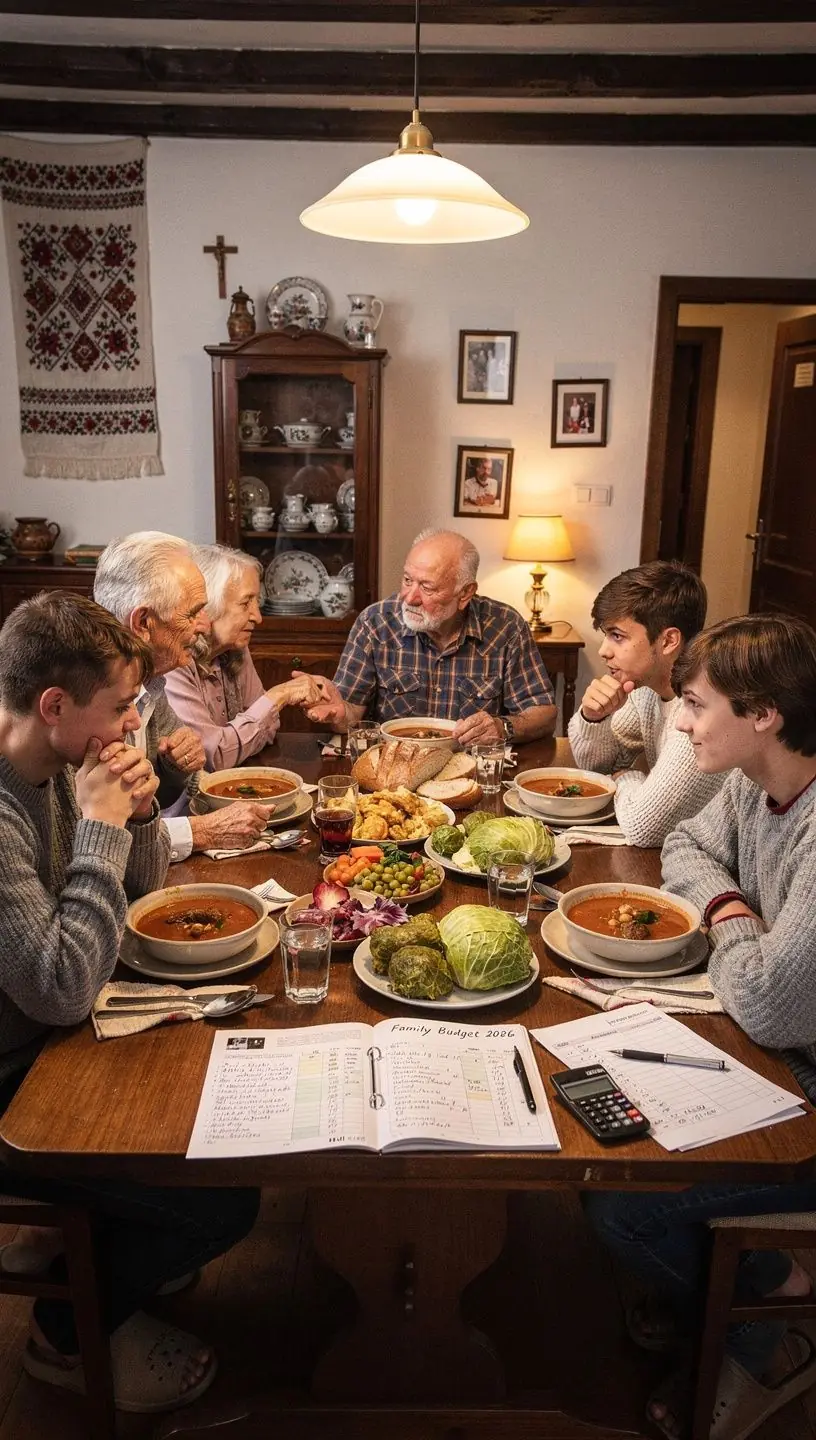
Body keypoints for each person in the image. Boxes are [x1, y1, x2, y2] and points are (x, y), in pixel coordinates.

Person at [0, 591, 258, 1412]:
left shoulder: (54, 764)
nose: (125, 728)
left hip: (54, 1039)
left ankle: (121, 1240)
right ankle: (61, 1340)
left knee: (217, 1103)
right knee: (225, 1193)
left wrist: (139, 811)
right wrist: (102, 828)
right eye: (117, 710)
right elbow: (62, 990)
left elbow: (140, 892)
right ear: (54, 705)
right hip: (18, 1079)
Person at [585, 613, 816, 1440]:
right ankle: (730, 1286)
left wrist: (738, 941)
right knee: (599, 1137)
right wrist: (733, 906)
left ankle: (765, 1333)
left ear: (764, 715)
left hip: (805, 1090)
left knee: (620, 1206)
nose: (678, 724)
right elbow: (685, 842)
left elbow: (767, 1001)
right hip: (773, 1052)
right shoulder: (761, 783)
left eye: (694, 705)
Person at [94, 532, 271, 858]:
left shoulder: (151, 683)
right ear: (144, 623)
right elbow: (102, 841)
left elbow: (156, 797)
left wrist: (172, 769)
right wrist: (203, 830)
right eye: (192, 614)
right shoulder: (88, 702)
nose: (204, 626)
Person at [305, 528, 556, 747]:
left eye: (427, 587)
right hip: (395, 772)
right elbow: (350, 715)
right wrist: (339, 715)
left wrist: (502, 728)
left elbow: (544, 715)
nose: (410, 597)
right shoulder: (376, 622)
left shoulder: (505, 627)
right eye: (407, 580)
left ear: (465, 593)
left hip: (469, 771)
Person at [568, 560, 723, 845]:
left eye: (617, 636)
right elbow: (597, 771)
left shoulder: (702, 711)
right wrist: (593, 718)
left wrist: (626, 777)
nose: (603, 651)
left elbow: (642, 827)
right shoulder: (645, 688)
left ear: (668, 641)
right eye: (606, 635)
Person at [164, 544, 322, 769]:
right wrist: (279, 696)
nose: (257, 617)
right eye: (245, 603)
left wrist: (240, 736)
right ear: (207, 604)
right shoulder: (175, 662)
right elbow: (213, 756)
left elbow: (269, 725)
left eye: (257, 602)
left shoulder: (235, 646)